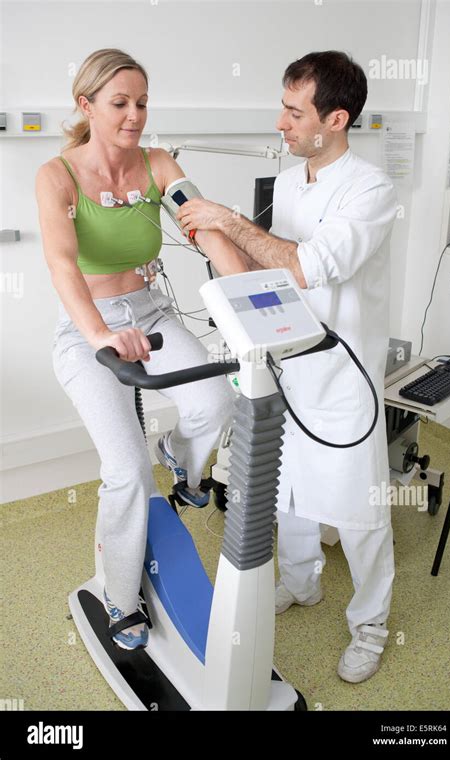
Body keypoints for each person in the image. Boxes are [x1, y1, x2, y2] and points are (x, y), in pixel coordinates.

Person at [176, 51, 398, 683]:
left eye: (295, 112)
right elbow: (264, 273)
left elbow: (305, 267)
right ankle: (302, 584)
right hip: (284, 368)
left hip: (342, 379)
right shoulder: (289, 183)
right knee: (290, 493)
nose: (281, 122)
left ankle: (371, 626)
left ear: (336, 117)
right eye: (283, 106)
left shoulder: (371, 191)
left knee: (359, 513)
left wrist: (226, 220)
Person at [35, 48, 246, 650]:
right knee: (126, 473)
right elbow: (60, 263)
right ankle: (121, 599)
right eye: (120, 103)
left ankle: (178, 456)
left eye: (143, 103)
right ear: (87, 105)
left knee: (214, 402)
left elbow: (201, 225)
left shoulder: (158, 164)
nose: (135, 115)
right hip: (86, 328)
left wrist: (244, 302)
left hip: (150, 313)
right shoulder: (58, 176)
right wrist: (101, 334)